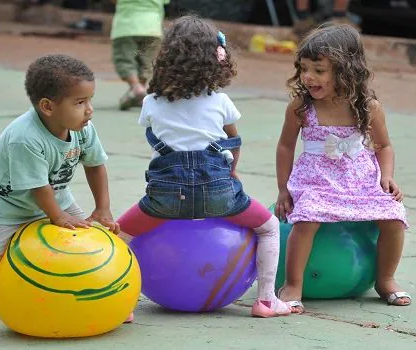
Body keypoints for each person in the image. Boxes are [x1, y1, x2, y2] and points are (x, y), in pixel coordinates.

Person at [117, 15, 292, 318]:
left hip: (165, 199)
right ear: (215, 61)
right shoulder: (221, 102)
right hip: (220, 195)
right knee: (268, 227)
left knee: (120, 235)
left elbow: (158, 145)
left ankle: (122, 303)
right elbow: (233, 142)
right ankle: (266, 301)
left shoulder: (151, 102)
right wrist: (232, 171)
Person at [0, 54, 120, 346]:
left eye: (90, 100)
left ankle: (109, 302)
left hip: (59, 198)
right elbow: (37, 187)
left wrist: (102, 208)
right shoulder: (24, 137)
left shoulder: (83, 129)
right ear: (47, 106)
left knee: (92, 240)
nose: (89, 110)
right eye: (79, 103)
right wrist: (58, 218)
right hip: (7, 208)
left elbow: (95, 165)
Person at [275, 24, 411, 314]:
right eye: (304, 68)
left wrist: (386, 177)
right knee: (307, 219)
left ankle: (385, 279)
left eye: (319, 70)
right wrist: (283, 189)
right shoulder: (301, 106)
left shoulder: (367, 106)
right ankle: (293, 284)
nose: (308, 77)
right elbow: (286, 146)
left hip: (360, 178)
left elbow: (384, 146)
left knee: (394, 218)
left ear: (346, 71)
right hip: (316, 178)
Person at [110, 0, 170, 110]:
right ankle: (140, 92)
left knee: (125, 59)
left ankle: (136, 88)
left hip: (126, 26)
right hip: (152, 27)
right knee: (147, 62)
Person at [293, 0, 358, 36]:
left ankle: (339, 19)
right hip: (312, 13)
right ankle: (303, 20)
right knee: (302, 26)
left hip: (336, 13)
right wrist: (303, 18)